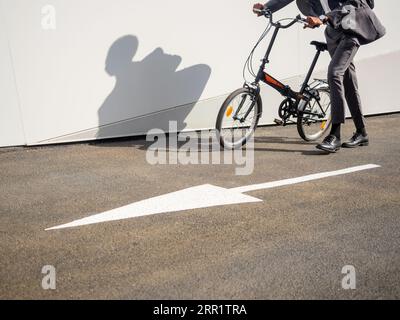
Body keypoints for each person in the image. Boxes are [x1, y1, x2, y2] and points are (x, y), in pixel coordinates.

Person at [253, 0, 372, 152]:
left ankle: (335, 135)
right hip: (333, 34)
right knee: (348, 81)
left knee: (334, 73)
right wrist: (266, 8)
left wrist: (324, 18)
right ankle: (361, 132)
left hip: (352, 31)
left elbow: (352, 4)